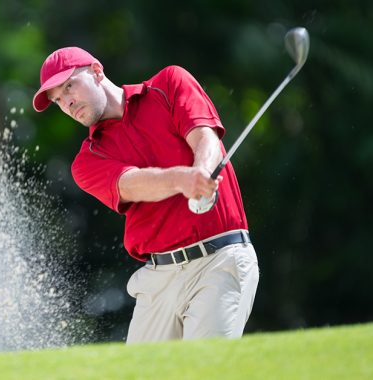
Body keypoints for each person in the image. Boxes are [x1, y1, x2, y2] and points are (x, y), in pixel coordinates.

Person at [32, 47, 259, 342]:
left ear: (97, 71)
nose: (67, 102)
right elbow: (131, 183)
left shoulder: (169, 84)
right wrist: (182, 179)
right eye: (58, 100)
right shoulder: (88, 160)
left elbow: (205, 138)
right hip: (158, 279)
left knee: (206, 369)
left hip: (220, 261)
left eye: (69, 86)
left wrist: (202, 173)